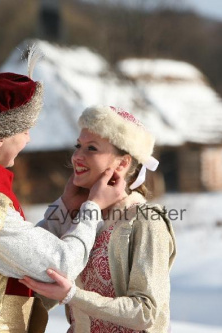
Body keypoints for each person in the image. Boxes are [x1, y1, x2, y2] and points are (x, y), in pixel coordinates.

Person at [0, 50, 127, 332]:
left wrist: (64, 207)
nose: (29, 138)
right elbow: (60, 264)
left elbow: (14, 253)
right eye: (25, 129)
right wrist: (92, 207)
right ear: (0, 136)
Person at [21, 105, 177, 332]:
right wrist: (63, 206)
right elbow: (33, 268)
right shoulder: (80, 215)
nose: (77, 156)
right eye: (78, 146)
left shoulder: (145, 221)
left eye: (91, 148)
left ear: (122, 163)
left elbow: (146, 312)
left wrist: (73, 295)